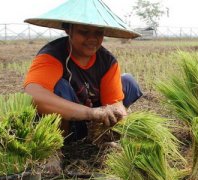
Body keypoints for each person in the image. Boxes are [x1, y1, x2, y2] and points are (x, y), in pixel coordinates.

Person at [23, 0, 142, 142]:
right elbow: (33, 95)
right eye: (84, 32)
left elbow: (115, 102)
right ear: (68, 30)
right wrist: (91, 113)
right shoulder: (53, 55)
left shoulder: (107, 62)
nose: (92, 39)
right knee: (60, 86)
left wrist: (119, 115)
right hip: (69, 123)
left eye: (98, 32)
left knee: (128, 81)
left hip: (94, 121)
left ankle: (103, 136)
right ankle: (59, 145)